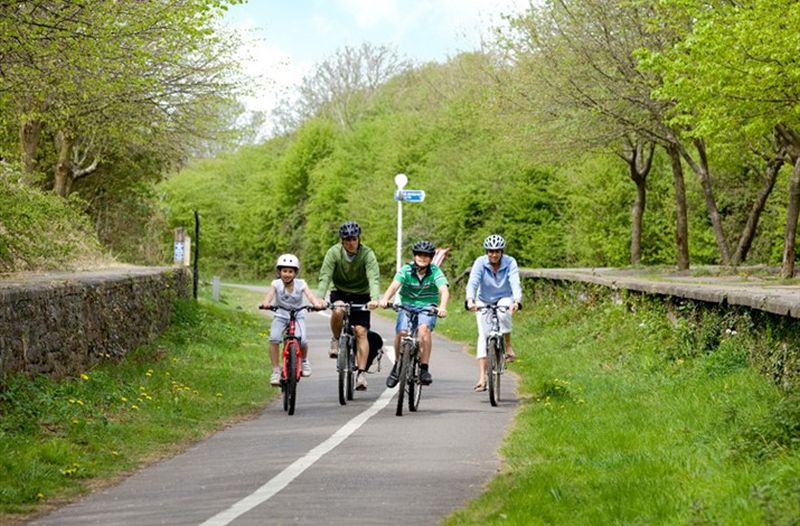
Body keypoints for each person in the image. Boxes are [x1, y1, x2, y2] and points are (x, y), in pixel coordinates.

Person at [370, 240, 449, 387]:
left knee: (424, 330)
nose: (422, 258)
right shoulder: (406, 270)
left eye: (426, 256)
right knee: (401, 333)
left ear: (431, 258)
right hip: (406, 305)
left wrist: (442, 307)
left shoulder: (435, 271)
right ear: (414, 256)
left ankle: (424, 369)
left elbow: (443, 290)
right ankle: (397, 366)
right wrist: (385, 299)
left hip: (427, 306)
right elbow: (394, 286)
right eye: (419, 255)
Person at [317, 221, 381, 391]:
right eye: (347, 239)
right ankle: (336, 340)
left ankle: (361, 374)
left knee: (361, 332)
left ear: (359, 238)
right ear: (342, 241)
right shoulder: (334, 253)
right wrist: (319, 298)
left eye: (354, 239)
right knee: (338, 310)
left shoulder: (367, 254)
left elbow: (373, 277)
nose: (351, 242)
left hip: (362, 294)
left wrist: (375, 298)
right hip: (340, 291)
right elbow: (325, 276)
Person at [465, 234, 522, 392]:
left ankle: (508, 346)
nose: (494, 254)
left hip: (504, 296)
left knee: (504, 313)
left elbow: (515, 281)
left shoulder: (510, 262)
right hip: (484, 299)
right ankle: (482, 377)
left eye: (497, 251)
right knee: (483, 335)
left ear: (502, 252)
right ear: (486, 251)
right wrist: (470, 300)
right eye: (490, 251)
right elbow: (473, 282)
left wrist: (516, 301)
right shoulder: (480, 263)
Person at [260, 254, 327, 386]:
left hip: (297, 315)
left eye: (291, 271)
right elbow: (269, 296)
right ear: (279, 272)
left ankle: (304, 361)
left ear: (295, 273)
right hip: (280, 315)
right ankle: (275, 371)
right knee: (274, 338)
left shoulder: (301, 284)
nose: (287, 274)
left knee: (302, 339)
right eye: (284, 271)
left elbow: (310, 296)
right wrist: (266, 303)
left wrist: (316, 304)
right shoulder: (276, 284)